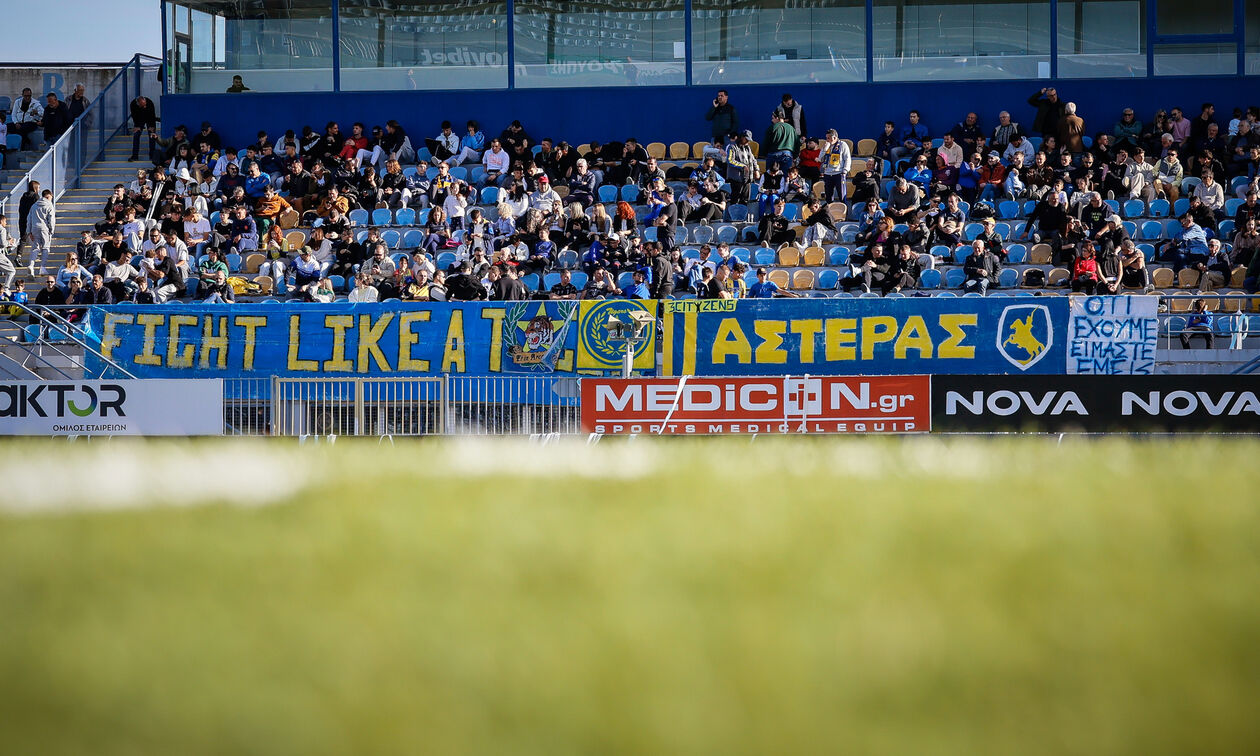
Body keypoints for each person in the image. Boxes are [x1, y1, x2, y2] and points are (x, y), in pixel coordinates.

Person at [25, 189, 55, 275]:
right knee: (45, 248)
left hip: (34, 228)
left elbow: (29, 219)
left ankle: (31, 265)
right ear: (49, 196)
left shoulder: (34, 205)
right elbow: (51, 219)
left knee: (35, 248)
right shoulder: (49, 205)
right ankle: (42, 267)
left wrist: (29, 232)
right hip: (44, 228)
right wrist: (51, 230)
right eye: (51, 197)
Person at [725, 130, 758, 205]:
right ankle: (734, 215)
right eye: (746, 139)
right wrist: (742, 166)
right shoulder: (732, 147)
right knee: (735, 199)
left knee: (745, 200)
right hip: (736, 178)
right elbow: (730, 160)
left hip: (747, 179)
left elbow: (753, 159)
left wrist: (756, 169)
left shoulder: (748, 148)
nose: (748, 142)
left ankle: (743, 216)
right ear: (742, 137)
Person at [819, 129, 851, 203]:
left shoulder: (843, 145)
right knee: (828, 197)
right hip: (827, 173)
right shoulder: (826, 146)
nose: (827, 140)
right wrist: (824, 150)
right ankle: (830, 213)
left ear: (834, 137)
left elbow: (847, 158)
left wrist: (845, 170)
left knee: (842, 196)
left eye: (828, 138)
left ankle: (844, 213)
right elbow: (821, 159)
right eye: (826, 138)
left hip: (839, 173)